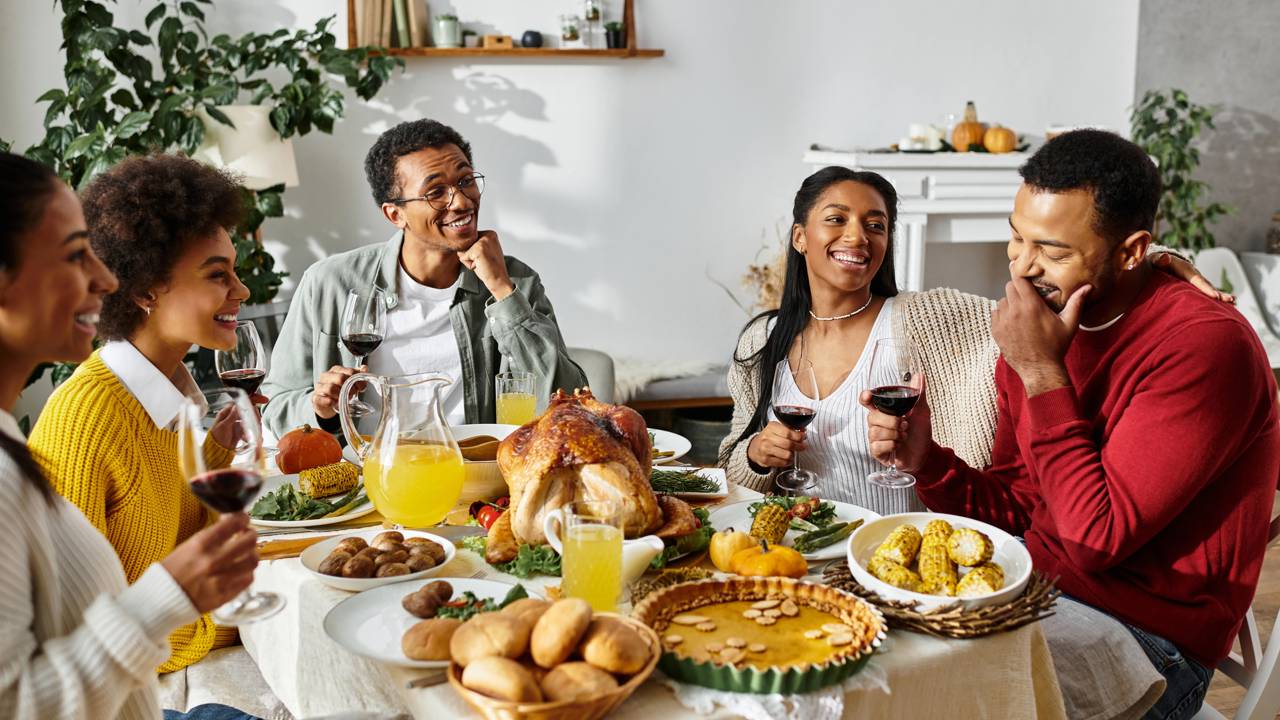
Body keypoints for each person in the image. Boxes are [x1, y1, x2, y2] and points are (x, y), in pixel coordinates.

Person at [864, 130, 1280, 719]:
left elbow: (1093, 541)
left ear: (1133, 250)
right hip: (1034, 594)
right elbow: (1019, 508)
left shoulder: (1204, 347)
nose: (1022, 267)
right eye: (1016, 237)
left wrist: (1041, 371)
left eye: (1054, 251)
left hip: (1151, 646)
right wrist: (928, 461)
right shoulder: (1040, 328)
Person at [718, 165, 1228, 515]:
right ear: (800, 236)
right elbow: (732, 460)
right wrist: (760, 454)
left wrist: (1150, 256)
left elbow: (1047, 297)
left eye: (876, 225)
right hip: (799, 548)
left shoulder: (930, 319)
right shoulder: (761, 342)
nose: (857, 237)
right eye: (836, 220)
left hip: (899, 557)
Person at [0, 151, 259, 719]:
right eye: (74, 257)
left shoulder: (178, 402)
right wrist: (187, 608)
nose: (103, 279)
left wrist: (219, 450)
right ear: (147, 289)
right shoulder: (82, 421)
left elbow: (172, 534)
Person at [261, 118, 586, 439]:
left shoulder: (515, 281)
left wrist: (502, 291)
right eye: (435, 192)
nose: (461, 201)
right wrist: (321, 410)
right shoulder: (329, 284)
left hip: (477, 480)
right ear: (395, 214)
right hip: (367, 478)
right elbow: (276, 409)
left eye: (465, 180)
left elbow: (569, 407)